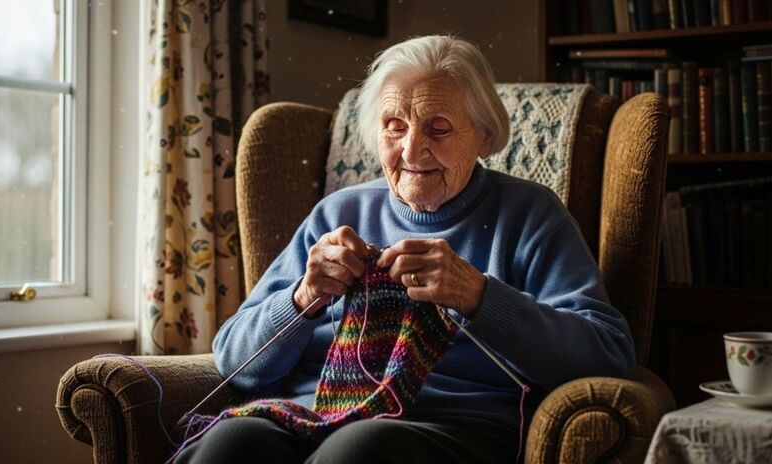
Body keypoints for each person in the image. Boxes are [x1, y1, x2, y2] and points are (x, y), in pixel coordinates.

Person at [176, 35, 635, 463]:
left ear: (484, 134)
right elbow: (236, 363)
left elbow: (606, 354)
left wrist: (479, 296)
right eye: (394, 127)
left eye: (438, 128)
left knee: (359, 447)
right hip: (312, 412)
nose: (412, 149)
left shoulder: (529, 214)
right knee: (232, 441)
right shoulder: (336, 214)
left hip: (454, 426)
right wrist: (302, 299)